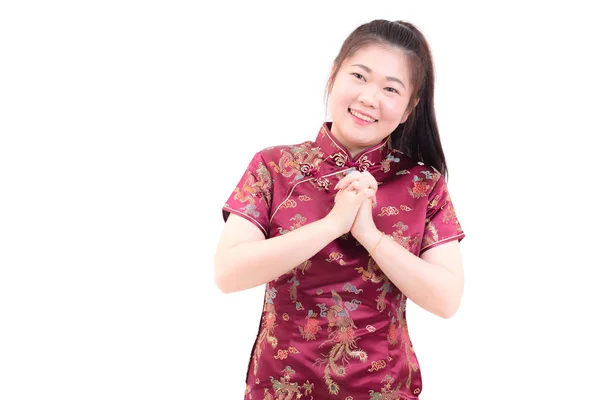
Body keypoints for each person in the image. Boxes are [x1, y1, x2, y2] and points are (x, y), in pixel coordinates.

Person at [214, 19, 466, 400]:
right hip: (280, 387)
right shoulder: (274, 166)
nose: (369, 97)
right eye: (360, 76)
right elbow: (227, 273)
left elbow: (446, 299)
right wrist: (334, 223)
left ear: (410, 106)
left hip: (385, 389)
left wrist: (369, 234)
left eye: (390, 88)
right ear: (334, 74)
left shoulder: (423, 184)